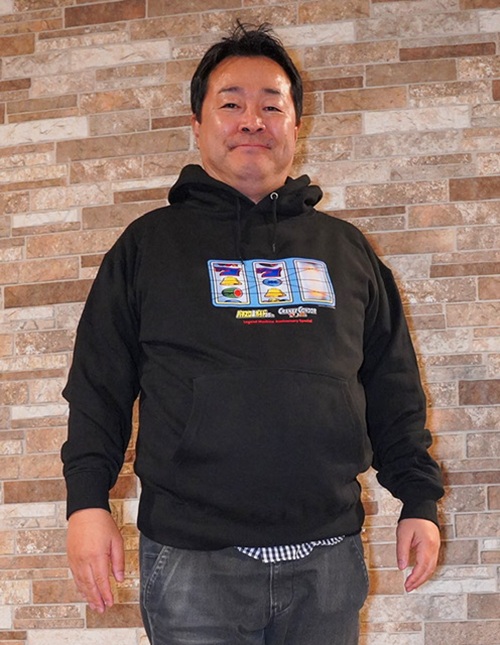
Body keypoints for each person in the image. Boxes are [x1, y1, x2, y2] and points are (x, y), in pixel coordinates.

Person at [62, 22, 444, 645]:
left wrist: (418, 501)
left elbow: (392, 387)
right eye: (231, 104)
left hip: (327, 558)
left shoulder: (346, 250)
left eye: (272, 106)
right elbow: (97, 386)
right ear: (197, 123)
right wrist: (86, 502)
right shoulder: (148, 246)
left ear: (296, 124)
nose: (252, 121)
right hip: (192, 559)